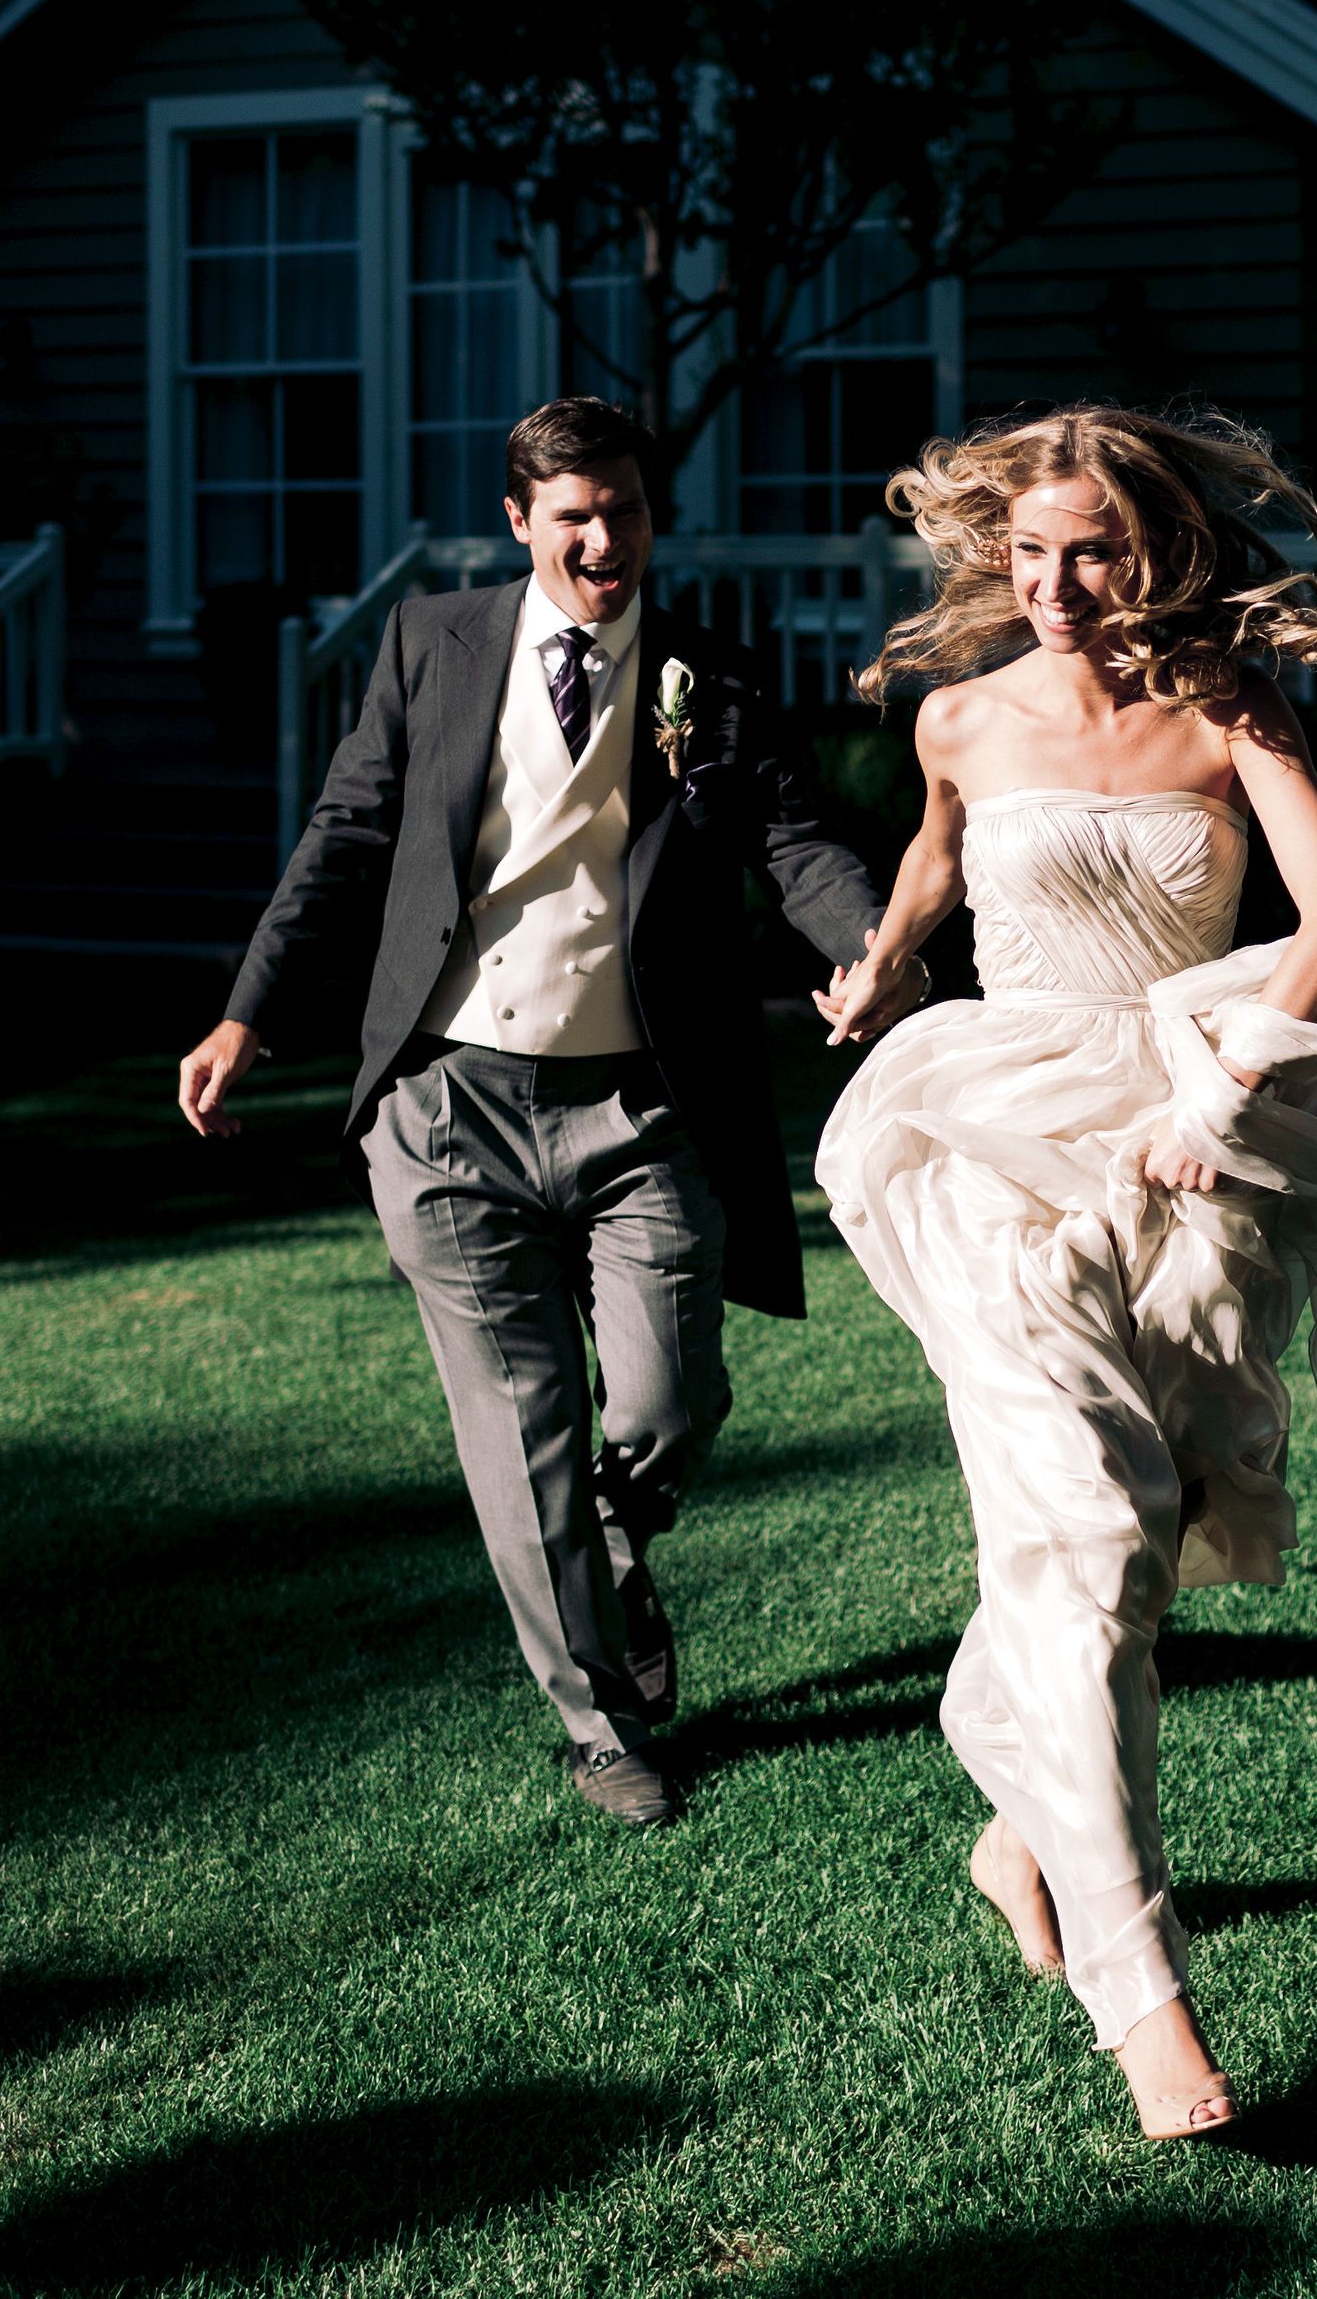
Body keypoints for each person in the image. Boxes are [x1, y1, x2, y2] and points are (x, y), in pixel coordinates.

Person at [812, 406, 1317, 2139]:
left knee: (1140, 1533)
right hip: (995, 1139)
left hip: (1191, 1136)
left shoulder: (1229, 705)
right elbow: (936, 873)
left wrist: (1219, 1087)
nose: (1055, 585)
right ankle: (1146, 1998)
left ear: (1150, 545)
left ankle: (1016, 1814)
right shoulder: (958, 717)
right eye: (1025, 553)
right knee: (1084, 1526)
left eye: (1088, 549)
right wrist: (873, 976)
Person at [177, 397, 918, 1824]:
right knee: (526, 1436)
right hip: (449, 1106)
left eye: (624, 510)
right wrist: (247, 1009)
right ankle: (600, 1723)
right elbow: (346, 831)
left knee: (665, 1398)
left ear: (652, 518)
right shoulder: (436, 647)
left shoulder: (698, 678)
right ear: (519, 523)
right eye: (572, 514)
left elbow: (784, 833)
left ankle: (611, 1554)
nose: (602, 539)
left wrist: (868, 947)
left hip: (643, 1109)